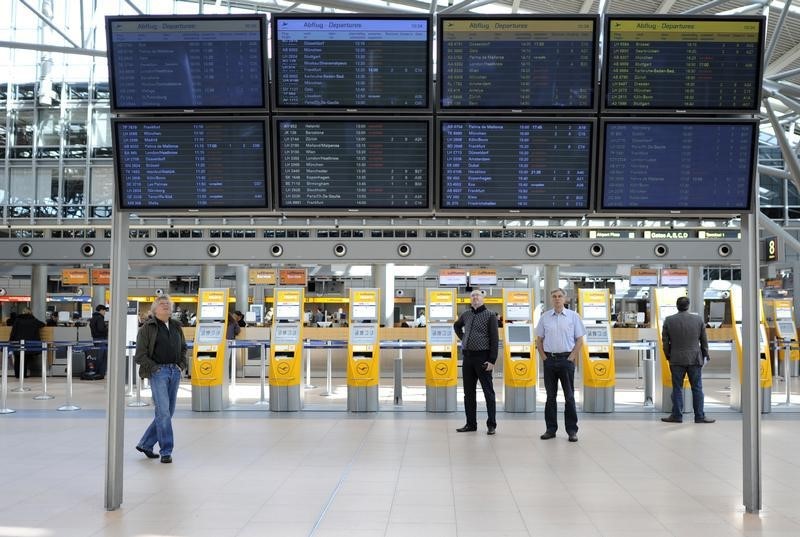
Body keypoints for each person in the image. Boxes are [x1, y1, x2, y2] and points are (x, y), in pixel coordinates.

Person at [134, 295, 188, 464]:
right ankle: (166, 451)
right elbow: (140, 355)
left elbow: (184, 347)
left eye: (168, 304)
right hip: (158, 373)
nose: (166, 306)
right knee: (163, 412)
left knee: (167, 412)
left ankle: (146, 444)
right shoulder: (147, 328)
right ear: (154, 309)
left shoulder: (176, 326)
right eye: (162, 304)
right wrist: (155, 368)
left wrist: (181, 364)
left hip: (174, 371)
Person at [535, 288, 585, 442]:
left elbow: (579, 340)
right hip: (550, 361)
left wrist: (572, 357)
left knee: (569, 397)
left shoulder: (573, 317)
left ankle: (572, 430)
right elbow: (539, 340)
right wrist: (544, 358)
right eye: (554, 296)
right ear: (551, 299)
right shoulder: (545, 318)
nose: (557, 299)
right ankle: (550, 429)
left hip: (566, 360)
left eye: (560, 296)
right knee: (550, 397)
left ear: (565, 299)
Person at [661, 297, 715, 424]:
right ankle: (699, 416)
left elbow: (665, 342)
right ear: (688, 305)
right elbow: (703, 340)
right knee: (697, 388)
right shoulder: (698, 320)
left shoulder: (669, 320)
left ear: (677, 306)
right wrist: (705, 354)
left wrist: (668, 355)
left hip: (676, 359)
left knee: (677, 388)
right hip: (695, 359)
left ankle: (677, 416)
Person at [453, 289, 498, 435]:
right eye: (472, 296)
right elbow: (457, 326)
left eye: (478, 295)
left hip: (483, 358)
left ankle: (491, 424)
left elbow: (494, 339)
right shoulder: (466, 314)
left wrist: (492, 360)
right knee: (468, 393)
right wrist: (464, 338)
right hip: (467, 358)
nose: (475, 297)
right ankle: (471, 423)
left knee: (488, 392)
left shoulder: (490, 315)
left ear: (483, 298)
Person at [10, 308, 45, 378]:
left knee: (17, 359)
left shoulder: (17, 320)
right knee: (25, 359)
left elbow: (13, 331)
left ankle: (17, 375)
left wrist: (11, 341)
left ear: (23, 313)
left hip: (18, 342)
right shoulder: (33, 320)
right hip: (29, 344)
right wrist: (33, 317)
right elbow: (42, 324)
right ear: (30, 313)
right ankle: (23, 374)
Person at [88, 304, 110, 379]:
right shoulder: (100, 318)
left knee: (98, 356)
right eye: (104, 311)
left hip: (95, 339)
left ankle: (98, 372)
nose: (105, 312)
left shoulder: (93, 318)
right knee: (102, 357)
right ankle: (100, 373)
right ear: (101, 310)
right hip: (101, 339)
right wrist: (107, 328)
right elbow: (101, 329)